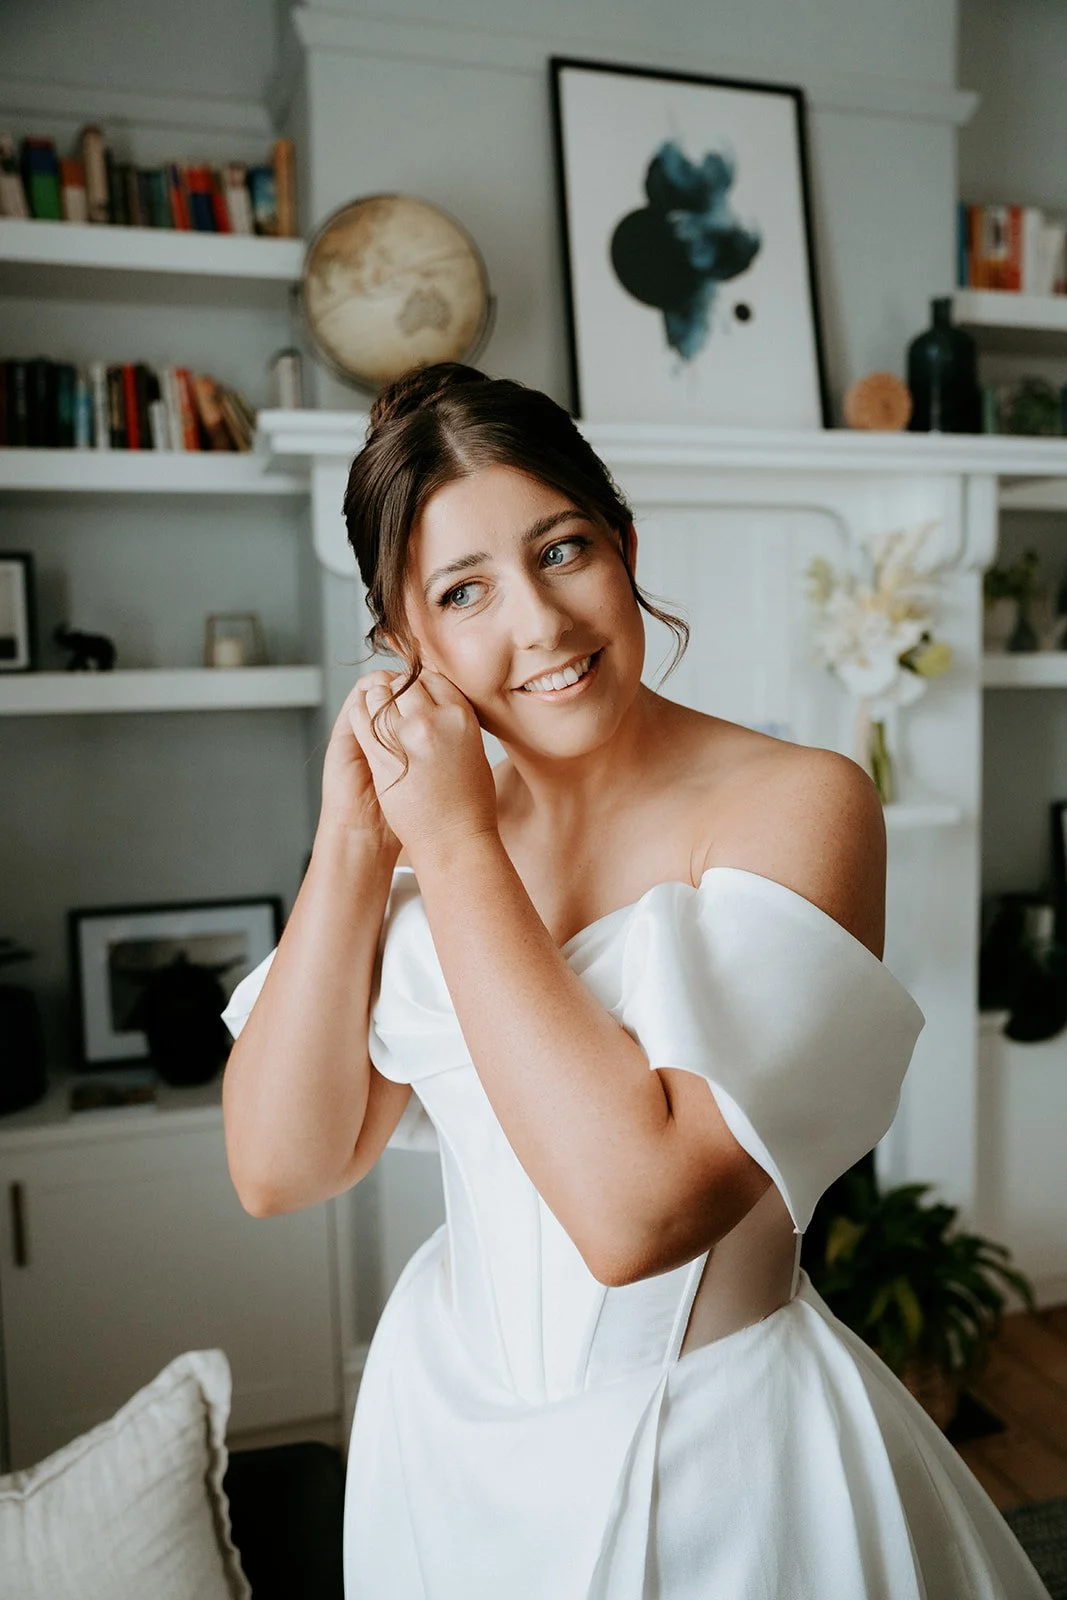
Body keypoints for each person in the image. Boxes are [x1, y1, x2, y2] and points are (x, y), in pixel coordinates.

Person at [221, 363, 1050, 1600]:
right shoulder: (412, 830)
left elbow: (637, 1219)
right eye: (465, 591)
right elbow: (282, 1166)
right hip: (441, 1447)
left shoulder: (797, 804)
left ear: (621, 542)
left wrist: (452, 848)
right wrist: (352, 843)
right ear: (407, 643)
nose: (542, 625)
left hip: (718, 1460)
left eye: (561, 550)